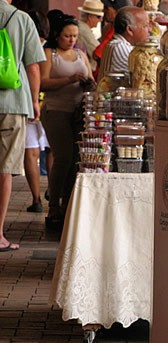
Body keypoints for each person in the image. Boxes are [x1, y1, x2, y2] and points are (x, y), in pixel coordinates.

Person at [0, 0, 46, 251]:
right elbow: (33, 66)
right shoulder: (22, 19)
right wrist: (34, 102)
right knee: (4, 171)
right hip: (12, 103)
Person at [39, 13, 95, 228]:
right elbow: (43, 83)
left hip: (79, 112)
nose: (71, 40)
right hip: (56, 110)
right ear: (57, 35)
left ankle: (68, 204)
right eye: (67, 36)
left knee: (75, 160)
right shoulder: (49, 54)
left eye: (74, 36)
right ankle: (53, 206)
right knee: (62, 157)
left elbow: (91, 80)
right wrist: (69, 80)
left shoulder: (80, 54)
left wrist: (88, 84)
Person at [24, 10, 51, 213]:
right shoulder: (50, 51)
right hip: (47, 104)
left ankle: (36, 199)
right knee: (51, 151)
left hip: (29, 104)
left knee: (31, 152)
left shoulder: (23, 46)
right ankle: (52, 190)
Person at [97, 6, 150, 82]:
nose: (149, 30)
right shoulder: (120, 47)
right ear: (129, 30)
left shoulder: (114, 44)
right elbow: (148, 73)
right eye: (145, 26)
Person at [92, 0, 130, 77]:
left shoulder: (117, 30)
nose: (104, 11)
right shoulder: (109, 28)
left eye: (107, 8)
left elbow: (97, 55)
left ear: (117, 11)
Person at [76, 0, 104, 71]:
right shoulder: (83, 30)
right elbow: (97, 51)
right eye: (98, 17)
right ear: (90, 16)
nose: (101, 20)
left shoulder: (83, 27)